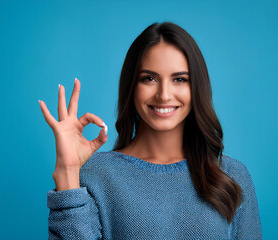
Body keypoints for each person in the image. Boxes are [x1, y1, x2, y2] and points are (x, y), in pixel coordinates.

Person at [38, 22, 262, 239]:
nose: (164, 94)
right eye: (149, 78)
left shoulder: (232, 176)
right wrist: (68, 172)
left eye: (179, 79)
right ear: (131, 87)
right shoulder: (96, 175)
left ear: (196, 88)